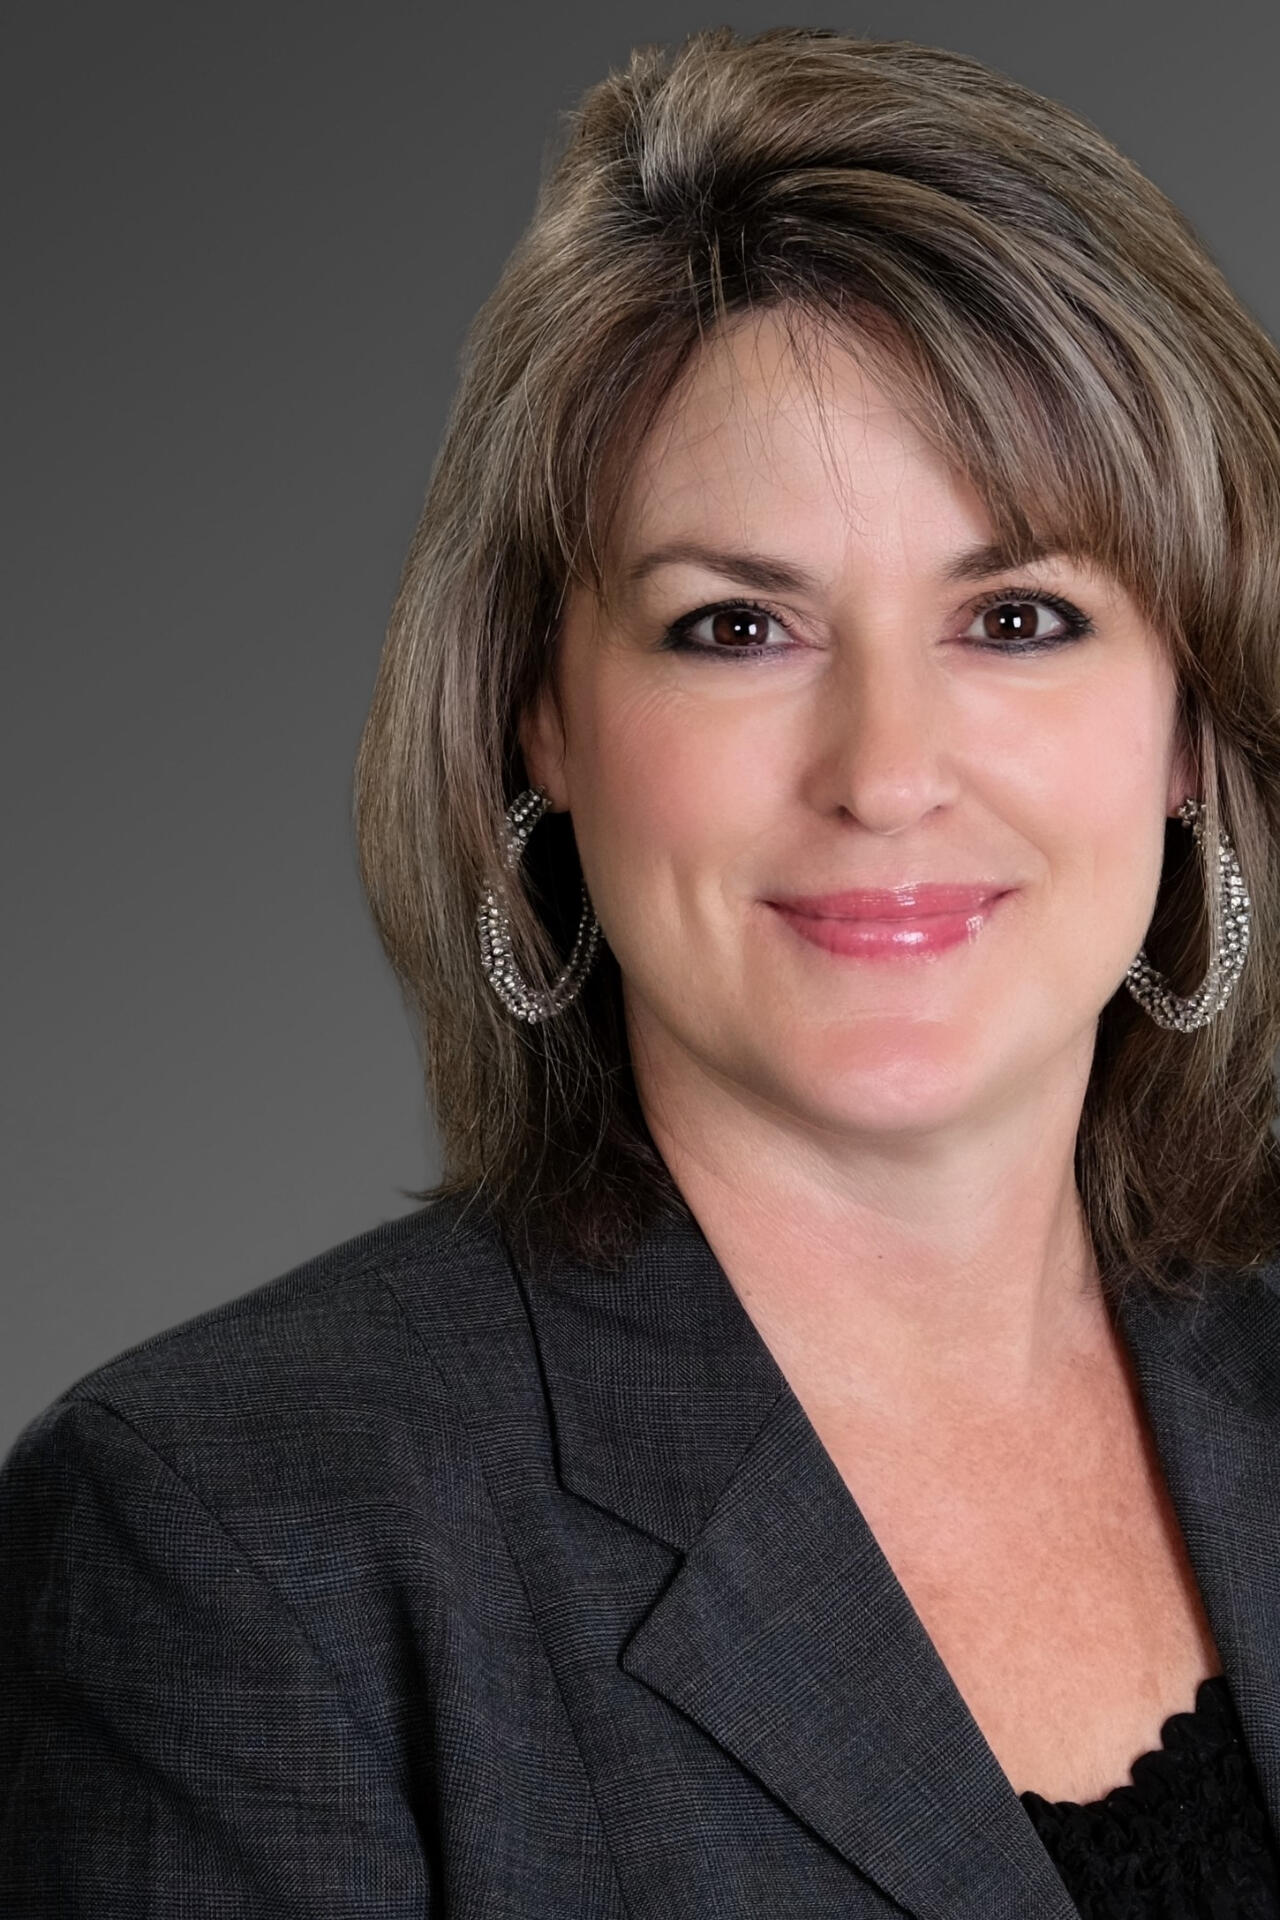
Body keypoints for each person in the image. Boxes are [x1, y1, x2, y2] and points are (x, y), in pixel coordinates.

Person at [4, 23, 1280, 1918]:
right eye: (736, 625)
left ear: (1188, 718)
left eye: (1020, 617)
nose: (889, 772)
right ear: (543, 718)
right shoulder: (230, 1542)